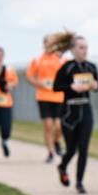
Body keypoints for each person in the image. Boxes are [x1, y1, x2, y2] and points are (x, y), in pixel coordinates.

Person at [50, 33, 98, 193]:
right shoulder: (67, 67)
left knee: (84, 147)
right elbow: (56, 87)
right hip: (69, 111)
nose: (84, 51)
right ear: (73, 49)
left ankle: (79, 182)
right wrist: (71, 87)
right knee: (72, 148)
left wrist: (96, 86)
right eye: (81, 48)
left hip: (85, 109)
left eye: (86, 48)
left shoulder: (91, 67)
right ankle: (62, 166)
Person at [26, 35, 65, 163]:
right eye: (48, 43)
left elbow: (67, 74)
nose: (51, 45)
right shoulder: (38, 59)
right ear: (44, 44)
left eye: (53, 43)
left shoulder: (61, 58)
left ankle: (56, 141)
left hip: (58, 96)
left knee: (59, 126)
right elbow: (29, 76)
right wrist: (38, 83)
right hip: (43, 96)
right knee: (48, 125)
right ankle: (50, 153)